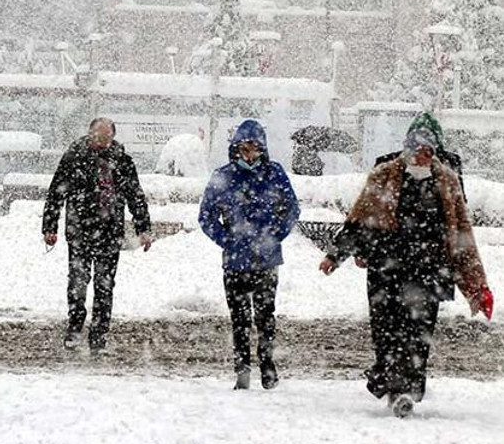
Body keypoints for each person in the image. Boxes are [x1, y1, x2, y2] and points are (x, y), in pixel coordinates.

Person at [319, 124, 494, 418]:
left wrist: (475, 286)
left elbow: (461, 235)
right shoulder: (384, 175)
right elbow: (360, 220)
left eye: (429, 151)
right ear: (407, 150)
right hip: (387, 270)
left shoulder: (447, 182)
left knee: (417, 335)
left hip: (429, 272)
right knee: (387, 333)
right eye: (418, 151)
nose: (423, 157)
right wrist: (336, 255)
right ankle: (391, 385)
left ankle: (405, 390)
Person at [198, 118, 300, 390]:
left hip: (266, 259)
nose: (249, 154)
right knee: (239, 318)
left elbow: (291, 209)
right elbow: (206, 215)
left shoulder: (274, 174)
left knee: (266, 316)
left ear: (262, 149)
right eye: (244, 148)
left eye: (254, 148)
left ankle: (267, 364)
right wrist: (226, 240)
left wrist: (275, 235)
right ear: (235, 148)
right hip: (235, 261)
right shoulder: (223, 176)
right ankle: (242, 367)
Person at [42, 117, 152, 353]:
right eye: (97, 137)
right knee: (78, 282)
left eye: (106, 138)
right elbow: (56, 193)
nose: (101, 142)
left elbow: (135, 195)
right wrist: (49, 227)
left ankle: (99, 335)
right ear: (89, 134)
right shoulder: (74, 157)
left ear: (112, 137)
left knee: (105, 285)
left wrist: (143, 228)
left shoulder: (122, 160)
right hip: (79, 231)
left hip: (110, 233)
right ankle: (74, 327)